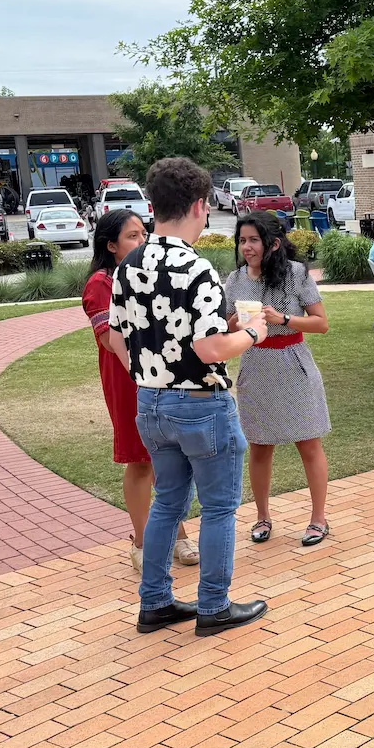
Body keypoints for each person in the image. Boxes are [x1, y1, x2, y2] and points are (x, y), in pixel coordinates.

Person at [109, 155, 270, 637]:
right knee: (219, 507)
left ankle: (154, 602)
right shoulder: (194, 266)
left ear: (154, 205)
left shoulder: (128, 265)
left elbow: (118, 338)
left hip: (150, 402)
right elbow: (210, 347)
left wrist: (149, 375)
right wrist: (254, 333)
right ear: (200, 206)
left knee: (167, 504)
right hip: (201, 403)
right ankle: (213, 606)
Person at [83, 209, 199, 575]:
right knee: (140, 459)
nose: (142, 241)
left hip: (161, 375)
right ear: (111, 245)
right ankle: (141, 541)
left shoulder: (144, 274)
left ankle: (179, 534)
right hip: (128, 382)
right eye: (132, 236)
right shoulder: (100, 284)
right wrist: (146, 374)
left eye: (143, 234)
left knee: (170, 457)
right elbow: (112, 343)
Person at [224, 211, 332, 548]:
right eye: (242, 241)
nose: (247, 247)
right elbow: (223, 328)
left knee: (308, 441)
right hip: (255, 362)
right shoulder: (234, 279)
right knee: (259, 445)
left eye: (253, 240)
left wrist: (283, 317)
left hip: (293, 362)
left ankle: (318, 518)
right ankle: (262, 516)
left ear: (272, 243)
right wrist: (236, 321)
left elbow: (321, 323)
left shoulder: (296, 274)